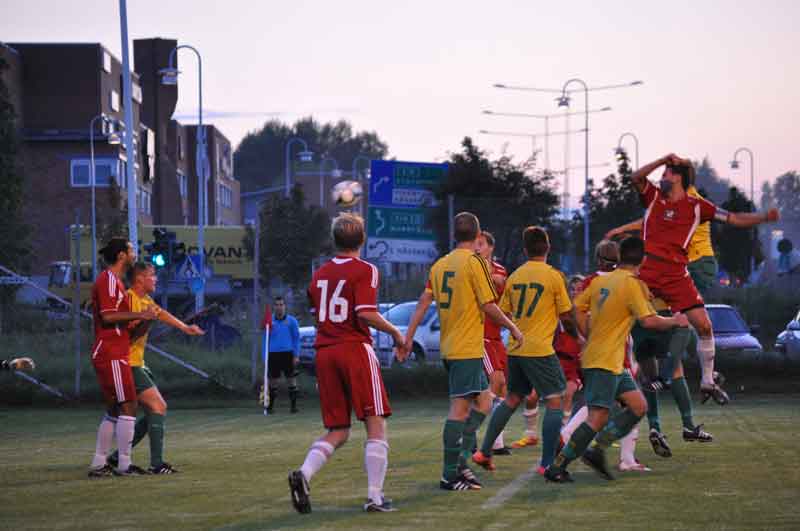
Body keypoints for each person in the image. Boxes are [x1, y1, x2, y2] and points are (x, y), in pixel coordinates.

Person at [629, 154, 779, 405]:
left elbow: (734, 218)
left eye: (665, 173)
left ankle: (707, 381)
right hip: (648, 270)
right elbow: (636, 177)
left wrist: (763, 218)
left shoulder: (698, 206)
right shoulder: (653, 196)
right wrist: (663, 159)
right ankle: (626, 374)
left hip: (676, 274)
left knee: (704, 326)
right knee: (629, 320)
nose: (661, 177)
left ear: (678, 178)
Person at [545, 236, 688, 483]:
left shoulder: (601, 280)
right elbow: (648, 321)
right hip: (603, 360)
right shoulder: (632, 284)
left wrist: (586, 332)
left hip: (610, 360)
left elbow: (576, 306)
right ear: (643, 260)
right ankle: (559, 466)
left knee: (638, 406)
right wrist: (675, 320)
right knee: (597, 417)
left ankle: (597, 450)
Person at [289, 214, 406, 514]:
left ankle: (304, 473)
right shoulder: (366, 269)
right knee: (375, 421)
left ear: (334, 240)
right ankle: (375, 497)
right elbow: (365, 313)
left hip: (325, 352)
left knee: (338, 429)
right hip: (354, 349)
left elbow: (318, 314)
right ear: (362, 239)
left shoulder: (319, 274)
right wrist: (396, 333)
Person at [402, 212, 522, 491]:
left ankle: (461, 462)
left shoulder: (440, 265)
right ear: (477, 235)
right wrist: (513, 327)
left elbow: (422, 302)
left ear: (455, 234)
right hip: (465, 349)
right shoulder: (474, 262)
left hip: (452, 347)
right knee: (459, 410)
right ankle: (450, 474)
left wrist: (407, 338)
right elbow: (489, 305)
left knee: (485, 403)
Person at [473, 226, 576, 475]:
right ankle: (547, 463)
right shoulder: (554, 276)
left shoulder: (516, 276)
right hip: (540, 350)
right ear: (548, 247)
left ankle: (484, 451)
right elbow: (567, 316)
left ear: (525, 250)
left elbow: (504, 313)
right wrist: (579, 337)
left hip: (516, 349)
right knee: (555, 400)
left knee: (512, 398)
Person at [106, 262, 204, 474]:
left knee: (152, 411)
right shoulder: (129, 300)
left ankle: (116, 457)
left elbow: (161, 313)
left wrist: (185, 328)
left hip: (136, 363)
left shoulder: (146, 300)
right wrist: (146, 320)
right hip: (127, 364)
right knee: (158, 406)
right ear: (140, 279)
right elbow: (128, 337)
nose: (156, 279)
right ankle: (156, 464)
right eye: (152, 275)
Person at [87, 238, 159, 478]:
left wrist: (145, 321)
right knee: (129, 405)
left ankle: (100, 464)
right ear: (121, 255)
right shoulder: (108, 279)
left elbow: (127, 330)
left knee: (116, 409)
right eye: (131, 250)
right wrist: (140, 314)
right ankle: (123, 465)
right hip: (111, 351)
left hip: (115, 350)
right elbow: (108, 316)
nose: (134, 253)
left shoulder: (116, 282)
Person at [475, 230, 512, 456]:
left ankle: (497, 443)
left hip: (496, 335)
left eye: (481, 244)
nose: (477, 247)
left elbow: (502, 283)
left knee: (504, 388)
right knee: (496, 381)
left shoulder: (499, 269)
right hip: (480, 335)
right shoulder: (472, 267)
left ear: (491, 248)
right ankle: (469, 433)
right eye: (475, 243)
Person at [263, 296, 301, 413]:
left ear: (285, 306)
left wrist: (296, 355)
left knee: (291, 380)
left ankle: (293, 407)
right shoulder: (269, 321)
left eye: (281, 305)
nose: (279, 307)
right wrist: (265, 356)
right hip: (273, 354)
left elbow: (296, 339)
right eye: (277, 305)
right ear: (274, 307)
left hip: (288, 354)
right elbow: (265, 339)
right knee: (272, 381)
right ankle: (270, 407)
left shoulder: (292, 321)